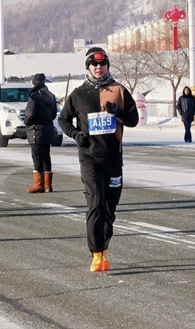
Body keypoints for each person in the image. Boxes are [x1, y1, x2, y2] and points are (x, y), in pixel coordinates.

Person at [58, 47, 138, 272]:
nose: (99, 67)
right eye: (94, 64)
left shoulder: (119, 90)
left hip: (113, 158)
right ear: (88, 67)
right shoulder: (79, 93)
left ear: (107, 66)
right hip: (89, 158)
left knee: (110, 208)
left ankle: (103, 249)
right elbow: (63, 120)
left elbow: (134, 119)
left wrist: (118, 113)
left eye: (103, 64)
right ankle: (95, 253)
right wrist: (76, 135)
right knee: (96, 203)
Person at [24, 73, 58, 193]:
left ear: (34, 82)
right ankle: (48, 185)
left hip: (36, 130)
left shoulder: (34, 96)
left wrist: (27, 122)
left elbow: (30, 114)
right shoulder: (51, 96)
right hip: (47, 128)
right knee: (46, 156)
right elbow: (53, 114)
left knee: (37, 156)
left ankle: (38, 184)